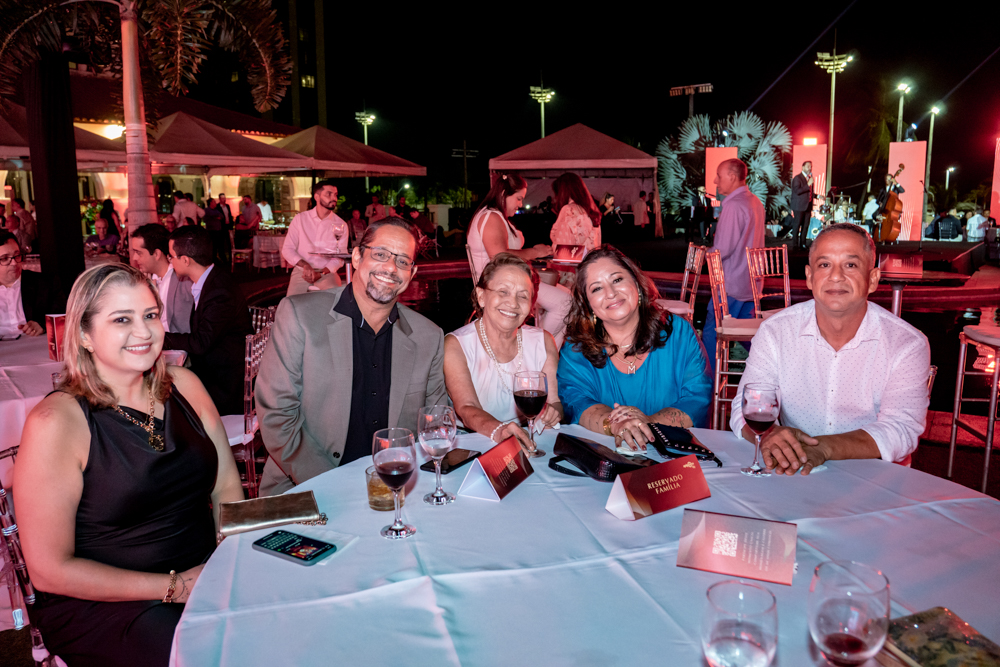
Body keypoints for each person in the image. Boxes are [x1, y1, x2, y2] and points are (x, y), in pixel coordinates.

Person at [13, 263, 244, 666]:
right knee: (214, 654)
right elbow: (49, 570)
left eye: (150, 315)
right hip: (107, 604)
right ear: (84, 334)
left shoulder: (185, 385)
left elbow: (225, 486)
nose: (144, 331)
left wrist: (228, 561)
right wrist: (175, 587)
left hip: (203, 572)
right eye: (122, 319)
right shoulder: (57, 422)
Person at [255, 217, 448, 496]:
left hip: (395, 489)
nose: (391, 267)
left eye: (403, 261)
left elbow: (435, 423)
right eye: (380, 254)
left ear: (413, 272)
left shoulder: (428, 336)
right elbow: (277, 416)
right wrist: (338, 487)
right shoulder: (300, 317)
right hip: (308, 488)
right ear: (357, 257)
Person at [731, 223, 930, 474]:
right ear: (809, 277)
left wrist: (824, 448)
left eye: (851, 265)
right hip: (791, 472)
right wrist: (772, 434)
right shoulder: (776, 332)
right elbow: (744, 407)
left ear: (872, 279)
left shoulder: (906, 343)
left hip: (874, 478)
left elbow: (902, 428)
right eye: (824, 265)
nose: (836, 276)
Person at [557, 246, 712, 451]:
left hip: (676, 457)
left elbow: (698, 396)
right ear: (588, 305)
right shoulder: (576, 349)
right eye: (596, 288)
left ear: (637, 284)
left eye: (617, 280)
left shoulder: (679, 334)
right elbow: (575, 401)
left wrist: (647, 423)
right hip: (607, 456)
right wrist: (616, 424)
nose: (611, 293)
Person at [444, 253, 562, 453]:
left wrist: (554, 413)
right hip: (472, 444)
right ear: (481, 296)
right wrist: (500, 431)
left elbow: (554, 402)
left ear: (531, 305)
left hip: (531, 438)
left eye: (523, 295)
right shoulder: (456, 345)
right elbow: (466, 407)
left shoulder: (544, 341)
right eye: (503, 292)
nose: (513, 303)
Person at [466, 172, 572, 346]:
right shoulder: (491, 217)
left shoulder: (496, 216)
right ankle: (540, 350)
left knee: (568, 296)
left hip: (512, 281)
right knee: (565, 303)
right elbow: (499, 256)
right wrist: (535, 252)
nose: (520, 204)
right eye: (518, 198)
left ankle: (543, 348)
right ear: (503, 195)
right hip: (501, 286)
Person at [163, 226, 252, 415]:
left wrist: (160, 337)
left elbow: (201, 342)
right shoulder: (211, 279)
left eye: (171, 256)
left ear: (185, 260)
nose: (170, 262)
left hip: (224, 383)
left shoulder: (219, 291)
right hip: (216, 368)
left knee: (166, 392)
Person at [702, 158, 765, 371]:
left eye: (719, 176)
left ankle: (708, 385)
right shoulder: (755, 201)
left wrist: (704, 256)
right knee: (750, 335)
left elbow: (723, 249)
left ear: (731, 176)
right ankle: (776, 371)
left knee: (713, 331)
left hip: (732, 283)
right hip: (752, 283)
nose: (715, 180)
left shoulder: (733, 205)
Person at [281, 179, 348, 295]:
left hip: (327, 273)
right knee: (290, 305)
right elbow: (287, 249)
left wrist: (322, 272)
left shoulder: (340, 224)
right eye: (329, 194)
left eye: (335, 195)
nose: (334, 198)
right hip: (302, 271)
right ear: (317, 197)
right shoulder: (300, 219)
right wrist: (305, 265)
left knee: (336, 303)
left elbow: (340, 256)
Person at [130, 224, 193, 334]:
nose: (134, 258)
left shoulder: (185, 280)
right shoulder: (147, 280)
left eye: (138, 252)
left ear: (156, 254)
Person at [0, 230, 65, 337]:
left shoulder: (45, 284)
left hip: (36, 346)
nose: (14, 263)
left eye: (17, 255)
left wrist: (43, 326)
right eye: (5, 258)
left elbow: (66, 318)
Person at [549, 172, 602, 250]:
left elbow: (562, 248)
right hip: (591, 260)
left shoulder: (568, 210)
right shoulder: (589, 211)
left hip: (573, 261)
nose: (556, 198)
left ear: (562, 192)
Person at [790, 161, 814, 249]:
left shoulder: (809, 178)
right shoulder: (797, 178)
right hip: (799, 206)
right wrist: (808, 184)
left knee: (805, 225)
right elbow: (797, 191)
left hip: (807, 206)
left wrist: (818, 196)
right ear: (802, 167)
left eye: (810, 166)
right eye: (808, 166)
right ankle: (795, 245)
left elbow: (809, 193)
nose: (809, 168)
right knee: (797, 225)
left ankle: (803, 244)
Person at [202, 198, 230, 266]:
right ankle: (214, 261)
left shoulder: (216, 210)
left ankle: (222, 260)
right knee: (213, 247)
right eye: (214, 202)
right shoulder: (207, 210)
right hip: (212, 231)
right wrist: (215, 217)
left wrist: (216, 217)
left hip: (218, 231)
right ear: (210, 203)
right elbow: (206, 218)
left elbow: (221, 216)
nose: (215, 203)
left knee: (220, 246)